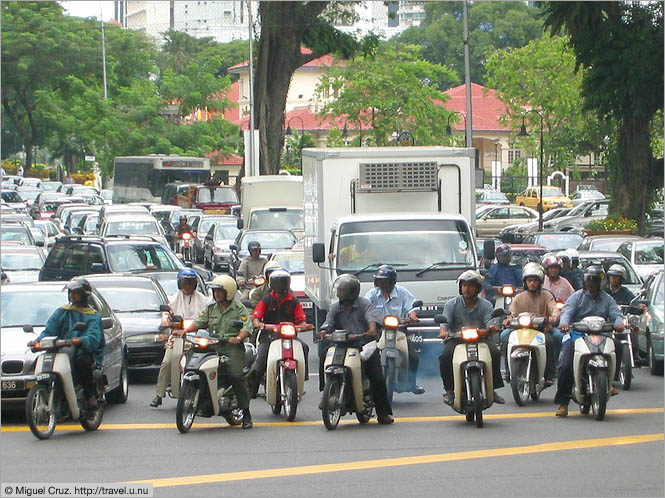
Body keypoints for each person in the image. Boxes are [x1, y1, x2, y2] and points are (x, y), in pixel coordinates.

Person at [316, 274, 394, 425]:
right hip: (341, 344)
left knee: (377, 377)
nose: (339, 294)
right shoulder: (335, 307)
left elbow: (372, 319)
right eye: (339, 291)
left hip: (363, 344)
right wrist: (324, 333)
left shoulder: (365, 304)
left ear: (352, 292)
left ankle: (383, 413)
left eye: (342, 291)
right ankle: (325, 391)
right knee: (323, 354)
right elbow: (328, 323)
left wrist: (371, 330)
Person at [183, 275, 254, 429]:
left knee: (235, 376)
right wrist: (184, 330)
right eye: (215, 292)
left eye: (219, 292)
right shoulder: (211, 309)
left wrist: (238, 338)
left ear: (228, 292)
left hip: (231, 348)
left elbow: (247, 327)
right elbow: (199, 323)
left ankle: (246, 412)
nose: (216, 295)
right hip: (212, 345)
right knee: (191, 362)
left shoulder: (239, 308)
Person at [553, 265, 625, 417]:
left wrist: (619, 323)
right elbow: (567, 312)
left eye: (595, 281)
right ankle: (563, 403)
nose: (592, 284)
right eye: (589, 280)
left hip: (602, 335)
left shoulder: (607, 299)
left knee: (618, 346)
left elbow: (616, 314)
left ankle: (611, 382)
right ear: (585, 282)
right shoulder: (576, 297)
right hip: (577, 335)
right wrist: (564, 323)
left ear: (601, 282)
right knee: (565, 365)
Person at [28, 279, 105, 408]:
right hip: (61, 350)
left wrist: (81, 340)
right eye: (71, 292)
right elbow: (49, 330)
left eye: (76, 292)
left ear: (84, 295)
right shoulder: (62, 312)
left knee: (82, 362)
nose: (72, 295)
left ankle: (89, 395)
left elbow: (93, 337)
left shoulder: (93, 316)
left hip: (81, 351)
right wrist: (37, 342)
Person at [439, 270, 505, 405]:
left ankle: (492, 388)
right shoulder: (451, 304)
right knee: (445, 357)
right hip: (456, 339)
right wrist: (444, 331)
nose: (467, 289)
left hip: (480, 339)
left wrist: (492, 328)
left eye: (470, 286)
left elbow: (489, 321)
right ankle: (449, 390)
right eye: (464, 286)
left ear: (478, 288)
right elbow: (445, 322)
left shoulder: (486, 305)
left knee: (495, 353)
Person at [150, 269, 209, 408]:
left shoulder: (205, 301)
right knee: (167, 362)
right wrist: (168, 323)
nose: (187, 286)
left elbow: (208, 317)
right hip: (177, 336)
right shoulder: (172, 300)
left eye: (190, 283)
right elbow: (165, 317)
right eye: (185, 283)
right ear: (179, 284)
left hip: (198, 336)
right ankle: (159, 394)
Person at [364, 265, 425, 394]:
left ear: (392, 281)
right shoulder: (372, 294)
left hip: (400, 330)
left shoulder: (402, 292)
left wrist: (412, 315)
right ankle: (366, 384)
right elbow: (366, 308)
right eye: (379, 280)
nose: (381, 283)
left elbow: (412, 307)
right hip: (379, 331)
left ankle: (412, 383)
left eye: (384, 280)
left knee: (414, 357)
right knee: (367, 355)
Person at [249, 269, 309, 398]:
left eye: (282, 283)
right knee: (260, 359)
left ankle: (301, 379)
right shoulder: (266, 300)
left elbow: (301, 318)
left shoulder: (293, 301)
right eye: (277, 283)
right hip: (269, 336)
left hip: (289, 336)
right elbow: (257, 315)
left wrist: (304, 325)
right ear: (272, 284)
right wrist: (257, 322)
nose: (280, 286)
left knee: (304, 347)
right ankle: (252, 390)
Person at [500, 263, 562, 386]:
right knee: (504, 336)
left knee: (556, 338)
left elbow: (553, 307)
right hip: (520, 329)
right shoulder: (518, 297)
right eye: (529, 281)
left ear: (540, 282)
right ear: (525, 282)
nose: (532, 283)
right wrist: (508, 319)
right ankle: (508, 371)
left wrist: (554, 316)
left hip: (542, 329)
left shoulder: (547, 295)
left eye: (534, 281)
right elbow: (512, 312)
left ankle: (550, 373)